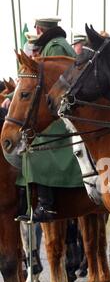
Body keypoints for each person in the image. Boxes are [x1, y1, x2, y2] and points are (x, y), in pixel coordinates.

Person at [17, 17, 80, 223]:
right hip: (63, 110)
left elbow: (51, 86)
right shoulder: (58, 44)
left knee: (36, 148)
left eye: (37, 29)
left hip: (61, 115)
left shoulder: (54, 48)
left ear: (41, 29)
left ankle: (46, 204)